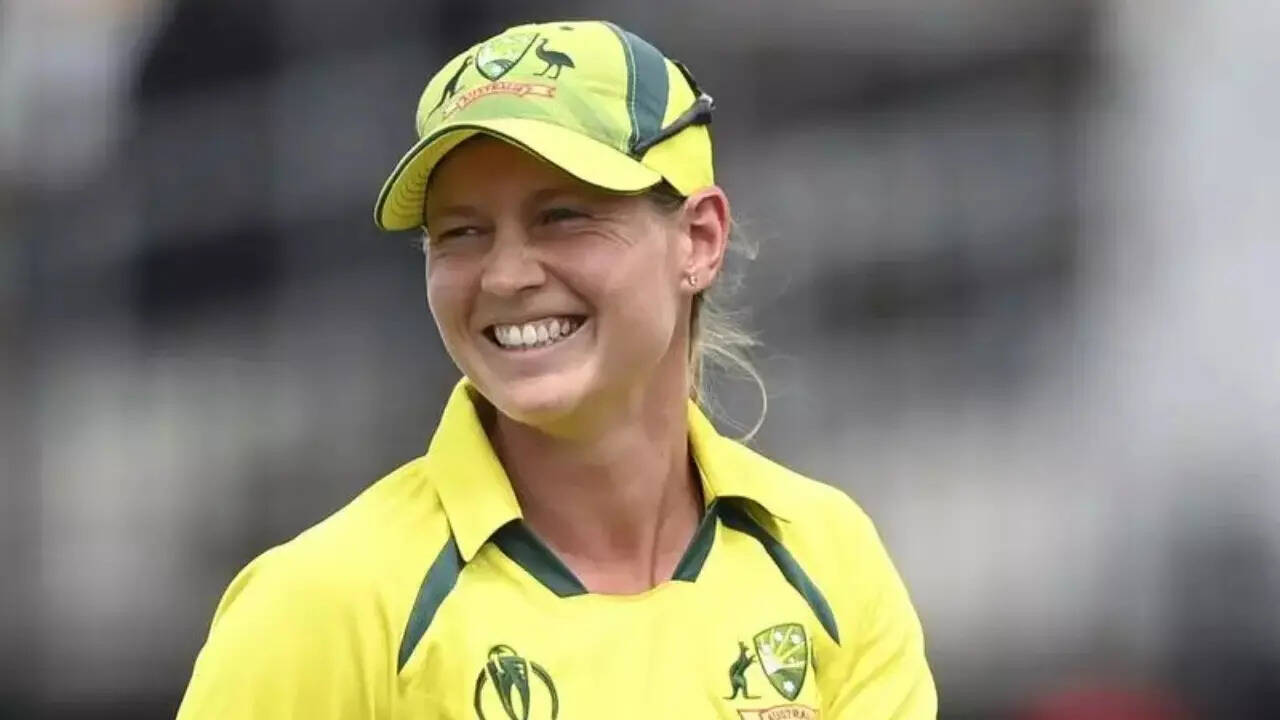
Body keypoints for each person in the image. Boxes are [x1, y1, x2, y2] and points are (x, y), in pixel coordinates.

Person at [176, 20, 936, 719]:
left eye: (563, 217)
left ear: (699, 239)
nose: (506, 275)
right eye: (460, 232)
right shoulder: (324, 602)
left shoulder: (827, 557)